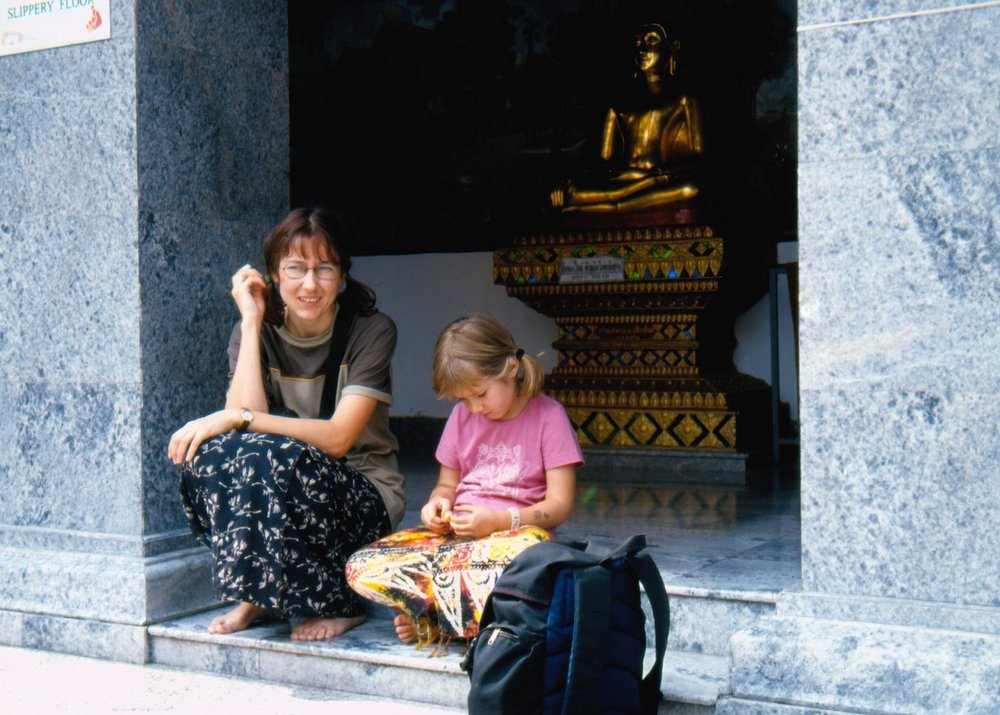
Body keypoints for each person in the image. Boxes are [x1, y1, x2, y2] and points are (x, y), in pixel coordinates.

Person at [167, 206, 405, 641]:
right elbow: (241, 437)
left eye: (324, 269)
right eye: (296, 268)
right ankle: (259, 593)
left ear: (342, 275)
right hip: (287, 480)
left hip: (362, 497)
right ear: (274, 274)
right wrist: (251, 321)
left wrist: (239, 418)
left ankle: (340, 601)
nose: (310, 284)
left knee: (279, 457)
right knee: (214, 454)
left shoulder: (371, 330)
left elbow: (338, 438)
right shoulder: (256, 329)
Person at [345, 313, 583, 652]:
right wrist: (437, 504)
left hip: (515, 540)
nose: (474, 407)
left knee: (519, 562)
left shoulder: (549, 417)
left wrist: (498, 521)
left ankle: (436, 617)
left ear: (511, 368)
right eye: (463, 399)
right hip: (461, 541)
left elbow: (559, 506)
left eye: (480, 394)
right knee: (361, 566)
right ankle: (457, 617)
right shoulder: (462, 416)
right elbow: (447, 485)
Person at [550, 22, 703, 213]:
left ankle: (597, 206)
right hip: (623, 180)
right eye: (638, 43)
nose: (642, 49)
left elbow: (698, 158)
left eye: (651, 40)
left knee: (690, 189)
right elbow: (603, 162)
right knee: (560, 192)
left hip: (657, 181)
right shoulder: (618, 105)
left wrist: (653, 176)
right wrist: (573, 180)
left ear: (673, 47)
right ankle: (603, 203)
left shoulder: (685, 101)